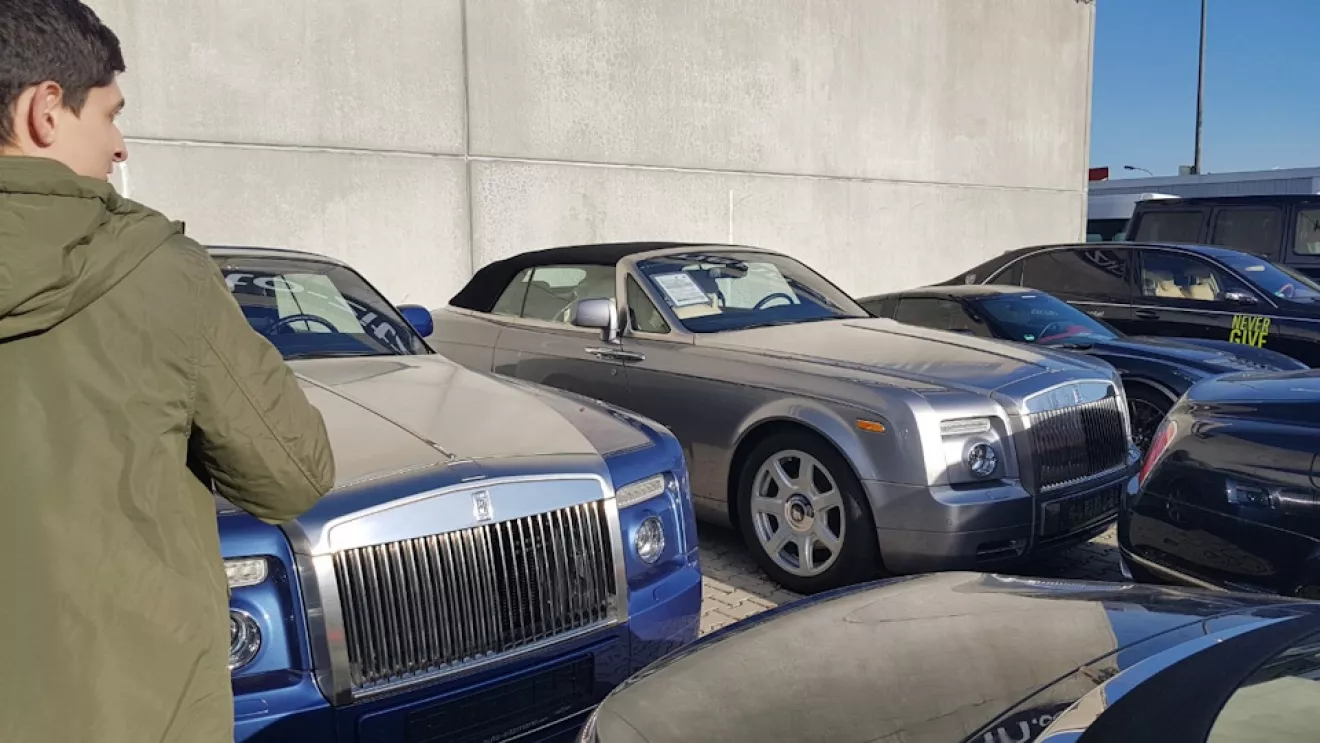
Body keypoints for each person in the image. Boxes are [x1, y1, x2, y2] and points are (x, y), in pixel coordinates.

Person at [0, 2, 337, 741]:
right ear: (45, 111)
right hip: (133, 710)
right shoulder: (159, 271)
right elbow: (294, 474)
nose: (119, 146)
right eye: (110, 114)